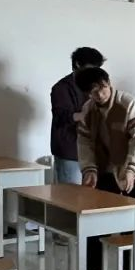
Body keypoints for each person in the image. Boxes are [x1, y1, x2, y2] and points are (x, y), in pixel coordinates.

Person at [76, 67, 135, 270]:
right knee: (94, 217)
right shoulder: (88, 110)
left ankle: (130, 269)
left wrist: (131, 170)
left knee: (131, 219)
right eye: (93, 92)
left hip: (133, 170)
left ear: (109, 83)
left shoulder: (127, 103)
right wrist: (89, 170)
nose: (100, 95)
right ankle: (94, 267)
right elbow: (84, 143)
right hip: (105, 170)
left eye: (102, 88)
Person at [50, 47, 105, 184]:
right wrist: (84, 115)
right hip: (70, 151)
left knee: (95, 195)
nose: (94, 73)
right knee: (70, 194)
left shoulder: (97, 86)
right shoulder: (61, 88)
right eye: (91, 68)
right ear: (78, 64)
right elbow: (61, 116)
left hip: (93, 152)